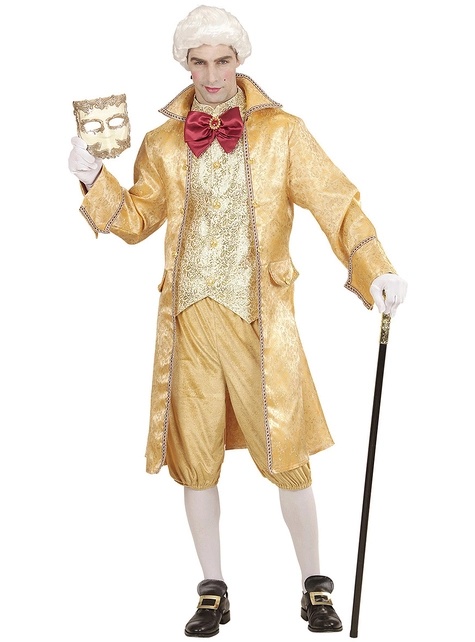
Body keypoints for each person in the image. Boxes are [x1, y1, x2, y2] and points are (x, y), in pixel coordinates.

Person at [68, 5, 407, 636]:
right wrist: (93, 178)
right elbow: (137, 222)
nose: (212, 75)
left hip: (259, 320)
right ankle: (212, 589)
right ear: (185, 64)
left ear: (239, 60)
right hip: (189, 321)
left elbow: (336, 203)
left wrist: (376, 268)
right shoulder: (163, 142)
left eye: (222, 61)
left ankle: (314, 585)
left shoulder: (283, 133)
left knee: (287, 454)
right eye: (199, 63)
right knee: (195, 459)